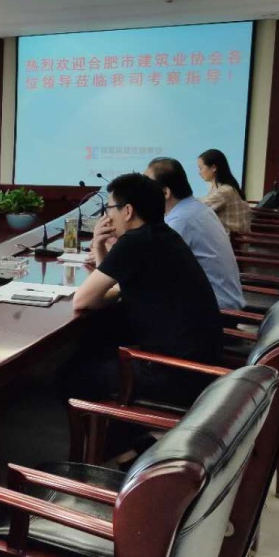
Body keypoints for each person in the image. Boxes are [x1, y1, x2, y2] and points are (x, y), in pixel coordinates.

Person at [71, 173, 223, 415]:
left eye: (109, 208)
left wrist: (104, 251)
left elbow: (83, 300)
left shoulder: (135, 242)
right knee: (101, 342)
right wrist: (99, 246)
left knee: (74, 374)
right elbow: (112, 287)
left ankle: (121, 438)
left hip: (176, 373)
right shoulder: (162, 234)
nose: (107, 216)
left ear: (127, 211)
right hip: (199, 363)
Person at [145, 157, 245, 311]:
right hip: (220, 301)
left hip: (215, 311)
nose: (141, 192)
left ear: (165, 192)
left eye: (146, 186)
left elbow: (153, 270)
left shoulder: (182, 220)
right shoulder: (195, 208)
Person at [197, 148, 251, 234]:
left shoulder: (224, 191)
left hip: (231, 240)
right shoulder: (220, 187)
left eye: (200, 168)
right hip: (227, 237)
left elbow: (196, 208)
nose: (199, 173)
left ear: (213, 168)